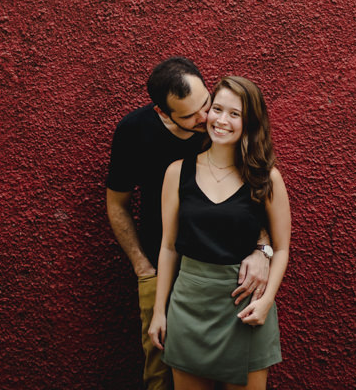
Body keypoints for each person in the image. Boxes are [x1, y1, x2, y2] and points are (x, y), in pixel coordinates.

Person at [107, 59, 271, 390]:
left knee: (236, 367)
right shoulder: (134, 131)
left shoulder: (221, 126)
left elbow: (256, 188)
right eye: (190, 115)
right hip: (161, 262)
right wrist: (143, 267)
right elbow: (117, 204)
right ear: (162, 113)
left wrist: (262, 247)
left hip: (222, 271)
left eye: (206, 104)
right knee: (159, 369)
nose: (206, 118)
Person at [148, 76, 291, 390]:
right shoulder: (177, 172)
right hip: (188, 305)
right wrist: (160, 312)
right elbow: (169, 247)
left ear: (249, 122)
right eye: (217, 109)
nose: (222, 120)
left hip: (244, 306)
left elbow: (281, 249)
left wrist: (267, 301)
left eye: (235, 114)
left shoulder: (266, 177)